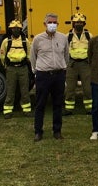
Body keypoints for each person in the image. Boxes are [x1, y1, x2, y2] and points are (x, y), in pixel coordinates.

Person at [30, 12, 70, 142]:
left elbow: (66, 56)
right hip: (43, 75)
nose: (52, 25)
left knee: (58, 104)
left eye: (54, 23)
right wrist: (37, 71)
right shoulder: (37, 39)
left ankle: (57, 131)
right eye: (50, 22)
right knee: (40, 104)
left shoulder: (63, 38)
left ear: (58, 24)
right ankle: (38, 131)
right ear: (45, 24)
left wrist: (62, 68)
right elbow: (33, 57)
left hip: (59, 75)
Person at [0, 20, 32, 119]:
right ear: (11, 29)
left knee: (25, 90)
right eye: (14, 28)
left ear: (20, 29)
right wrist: (6, 66)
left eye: (18, 28)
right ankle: (8, 111)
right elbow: (2, 55)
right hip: (11, 68)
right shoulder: (6, 41)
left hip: (23, 68)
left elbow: (29, 54)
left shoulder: (25, 41)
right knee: (10, 90)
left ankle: (27, 110)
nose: (16, 30)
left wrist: (28, 66)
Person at [64, 12, 92, 115]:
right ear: (73, 24)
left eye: (80, 22)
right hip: (72, 64)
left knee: (88, 88)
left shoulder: (89, 35)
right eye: (76, 22)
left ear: (84, 24)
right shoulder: (68, 36)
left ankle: (89, 108)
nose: (78, 24)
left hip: (85, 64)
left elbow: (92, 50)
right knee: (70, 88)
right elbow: (64, 51)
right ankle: (68, 109)